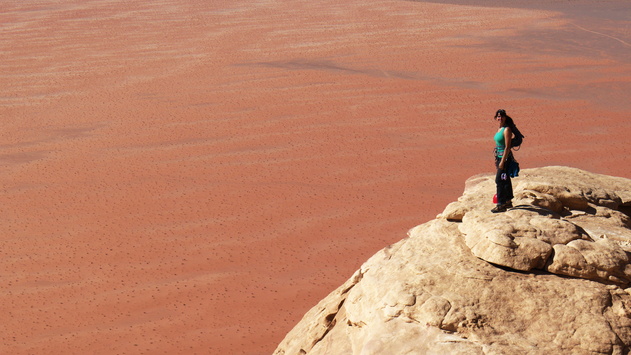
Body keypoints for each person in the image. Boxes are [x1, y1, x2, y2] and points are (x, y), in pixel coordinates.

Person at [492, 109, 517, 213]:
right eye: (498, 116)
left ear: (505, 117)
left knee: (499, 180)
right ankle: (508, 200)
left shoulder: (507, 130)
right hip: (499, 157)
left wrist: (502, 161)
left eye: (501, 116)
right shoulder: (500, 129)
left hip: (505, 158)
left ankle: (501, 204)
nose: (500, 118)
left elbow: (507, 147)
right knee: (505, 179)